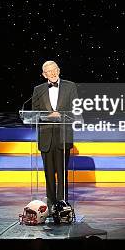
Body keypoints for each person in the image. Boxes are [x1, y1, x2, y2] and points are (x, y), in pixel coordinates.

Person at [31, 60, 78, 213]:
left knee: (62, 172)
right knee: (48, 174)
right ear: (44, 75)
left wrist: (61, 115)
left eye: (54, 69)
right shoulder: (38, 90)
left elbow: (75, 110)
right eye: (48, 71)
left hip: (63, 137)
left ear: (59, 70)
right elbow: (34, 113)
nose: (52, 73)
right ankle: (50, 203)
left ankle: (62, 203)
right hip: (45, 137)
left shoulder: (70, 86)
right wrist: (48, 116)